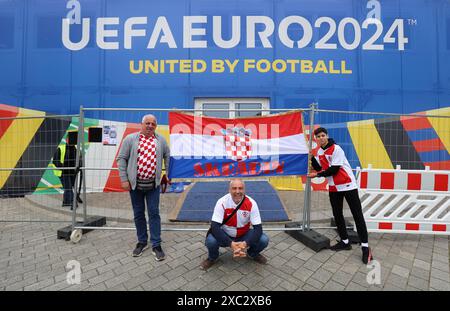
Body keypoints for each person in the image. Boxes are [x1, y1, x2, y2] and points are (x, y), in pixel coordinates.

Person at [307, 127, 373, 264]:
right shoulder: (319, 151)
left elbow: (334, 169)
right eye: (318, 136)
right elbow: (322, 169)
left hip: (348, 185)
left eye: (322, 135)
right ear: (316, 139)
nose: (320, 138)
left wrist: (317, 175)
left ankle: (366, 248)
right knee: (337, 215)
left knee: (357, 215)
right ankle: (345, 242)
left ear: (327, 136)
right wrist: (312, 159)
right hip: (334, 187)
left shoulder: (336, 149)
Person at [116, 114, 170, 261]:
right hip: (135, 186)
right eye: (147, 123)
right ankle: (142, 241)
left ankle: (156, 244)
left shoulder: (161, 140)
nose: (150, 126)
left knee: (154, 213)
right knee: (138, 214)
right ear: (141, 124)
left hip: (153, 185)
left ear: (156, 126)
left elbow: (168, 156)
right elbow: (121, 159)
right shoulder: (130, 139)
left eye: (153, 124)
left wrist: (168, 174)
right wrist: (124, 179)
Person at [200, 179, 269, 270]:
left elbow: (258, 229)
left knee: (264, 239)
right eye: (234, 188)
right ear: (229, 190)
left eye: (240, 188)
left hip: (244, 234)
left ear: (244, 190)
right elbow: (215, 226)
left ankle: (253, 253)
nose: (237, 191)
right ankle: (213, 257)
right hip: (226, 234)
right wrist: (230, 243)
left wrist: (245, 243)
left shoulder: (252, 203)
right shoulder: (222, 202)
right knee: (211, 241)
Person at [53, 137, 83, 209]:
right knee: (68, 187)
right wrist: (64, 168)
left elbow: (79, 160)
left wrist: (79, 167)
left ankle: (66, 202)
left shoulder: (76, 149)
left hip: (72, 172)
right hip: (63, 172)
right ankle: (73, 202)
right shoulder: (61, 148)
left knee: (69, 187)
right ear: (66, 140)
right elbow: (55, 161)